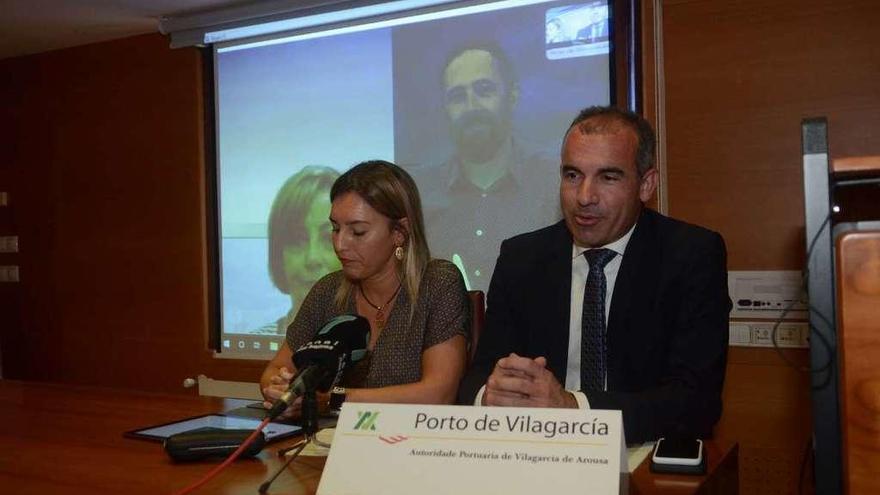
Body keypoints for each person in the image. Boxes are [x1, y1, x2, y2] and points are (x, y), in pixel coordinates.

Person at [458, 106, 731, 444]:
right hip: (536, 453)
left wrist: (574, 408)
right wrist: (491, 394)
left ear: (646, 185)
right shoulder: (522, 258)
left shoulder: (690, 255)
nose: (584, 197)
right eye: (572, 175)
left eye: (608, 177)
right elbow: (476, 380)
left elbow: (696, 402)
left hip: (638, 452)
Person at [261, 160, 470, 417]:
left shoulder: (438, 282)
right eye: (336, 229)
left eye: (357, 232)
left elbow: (438, 394)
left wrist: (333, 399)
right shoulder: (328, 290)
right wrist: (281, 390)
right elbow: (274, 371)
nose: (339, 244)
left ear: (399, 232)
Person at [412, 42, 558, 291]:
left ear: (512, 96)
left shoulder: (555, 181)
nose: (471, 106)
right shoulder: (419, 192)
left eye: (484, 90)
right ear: (445, 108)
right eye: (458, 96)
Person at [253, 166, 341, 335]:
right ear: (278, 256)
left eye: (327, 239)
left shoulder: (384, 346)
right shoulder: (253, 342)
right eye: (297, 241)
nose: (312, 258)